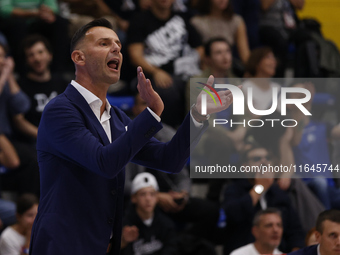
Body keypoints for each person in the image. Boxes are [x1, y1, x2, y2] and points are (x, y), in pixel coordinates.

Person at [29, 18, 233, 255]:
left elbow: (170, 160)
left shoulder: (116, 118)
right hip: (64, 246)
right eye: (104, 43)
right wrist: (151, 114)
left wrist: (198, 114)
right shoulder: (60, 110)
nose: (116, 48)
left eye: (118, 44)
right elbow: (104, 163)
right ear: (79, 58)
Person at [127, 0, 204, 127]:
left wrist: (190, 63)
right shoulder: (140, 20)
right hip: (150, 75)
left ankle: (199, 131)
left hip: (181, 72)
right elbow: (135, 56)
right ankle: (171, 134)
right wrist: (156, 72)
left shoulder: (181, 19)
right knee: (168, 89)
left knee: (201, 83)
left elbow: (199, 47)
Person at [222, 145, 304, 254]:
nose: (263, 162)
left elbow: (295, 231)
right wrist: (260, 187)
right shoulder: (235, 189)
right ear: (245, 166)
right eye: (257, 159)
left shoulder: (279, 193)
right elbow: (233, 215)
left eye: (267, 158)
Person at [13, 35, 67, 141]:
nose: (37, 58)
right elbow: (18, 121)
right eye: (31, 55)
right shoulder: (20, 86)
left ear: (50, 55)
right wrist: (45, 137)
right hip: (35, 141)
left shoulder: (62, 82)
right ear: (26, 60)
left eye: (40, 52)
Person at [121, 172, 177, 255]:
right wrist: (123, 242)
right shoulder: (124, 225)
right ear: (133, 198)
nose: (148, 199)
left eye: (152, 194)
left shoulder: (166, 224)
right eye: (143, 194)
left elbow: (172, 249)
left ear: (157, 197)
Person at [191, 0, 250, 64]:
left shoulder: (236, 21)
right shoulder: (196, 22)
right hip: (205, 67)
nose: (222, 0)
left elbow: (245, 55)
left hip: (228, 66)